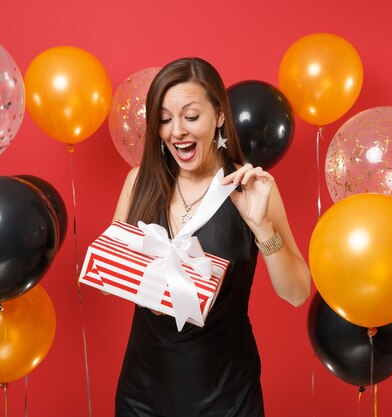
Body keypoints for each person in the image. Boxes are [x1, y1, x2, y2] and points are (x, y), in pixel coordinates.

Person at [112, 57, 311, 417]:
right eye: (165, 119)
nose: (177, 132)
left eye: (191, 117)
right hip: (142, 397)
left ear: (219, 115)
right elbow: (120, 274)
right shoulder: (138, 182)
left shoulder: (250, 187)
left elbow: (297, 293)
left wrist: (262, 225)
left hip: (228, 397)